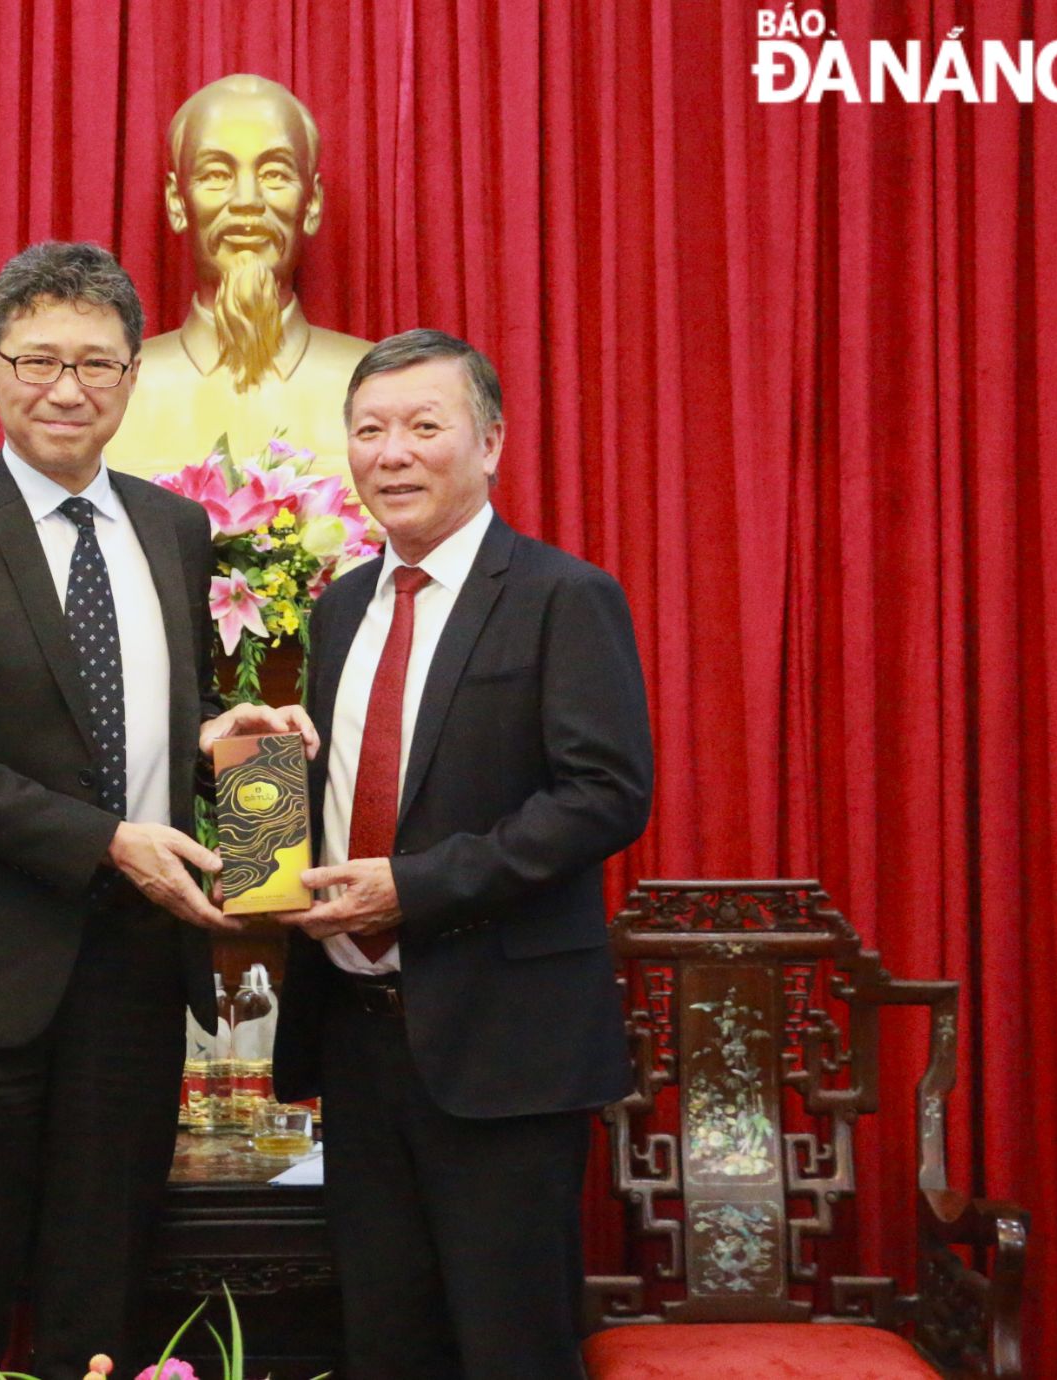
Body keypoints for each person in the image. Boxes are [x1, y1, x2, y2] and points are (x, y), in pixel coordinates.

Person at [0, 240, 315, 1380]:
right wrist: (103, 840)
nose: (68, 388)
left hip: (130, 979)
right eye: (39, 360)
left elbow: (156, 711)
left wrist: (220, 740)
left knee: (99, 1304)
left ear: (129, 378)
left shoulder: (171, 529)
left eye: (97, 364)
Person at [270, 330, 653, 1379]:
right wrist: (261, 811)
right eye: (367, 430)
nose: (390, 453)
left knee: (507, 1347)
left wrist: (414, 888)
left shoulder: (559, 596)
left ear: (488, 442)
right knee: (382, 1341)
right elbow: (350, 789)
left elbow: (604, 796)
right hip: (354, 1040)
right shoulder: (339, 605)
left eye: (422, 427)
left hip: (502, 1044)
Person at [105, 73, 371, 483]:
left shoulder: (379, 387)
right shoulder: (112, 392)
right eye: (216, 175)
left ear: (312, 202)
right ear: (177, 202)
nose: (247, 200)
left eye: (275, 174)